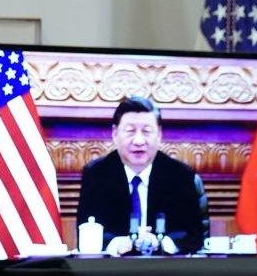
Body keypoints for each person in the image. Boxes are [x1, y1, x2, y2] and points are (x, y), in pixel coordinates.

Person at [76, 97, 205, 255]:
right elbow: (87, 230)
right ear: (115, 133)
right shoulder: (97, 175)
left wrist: (161, 242)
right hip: (114, 271)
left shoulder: (180, 176)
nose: (138, 141)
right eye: (130, 131)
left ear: (159, 135)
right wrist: (118, 243)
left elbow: (193, 235)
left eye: (146, 131)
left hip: (168, 271)